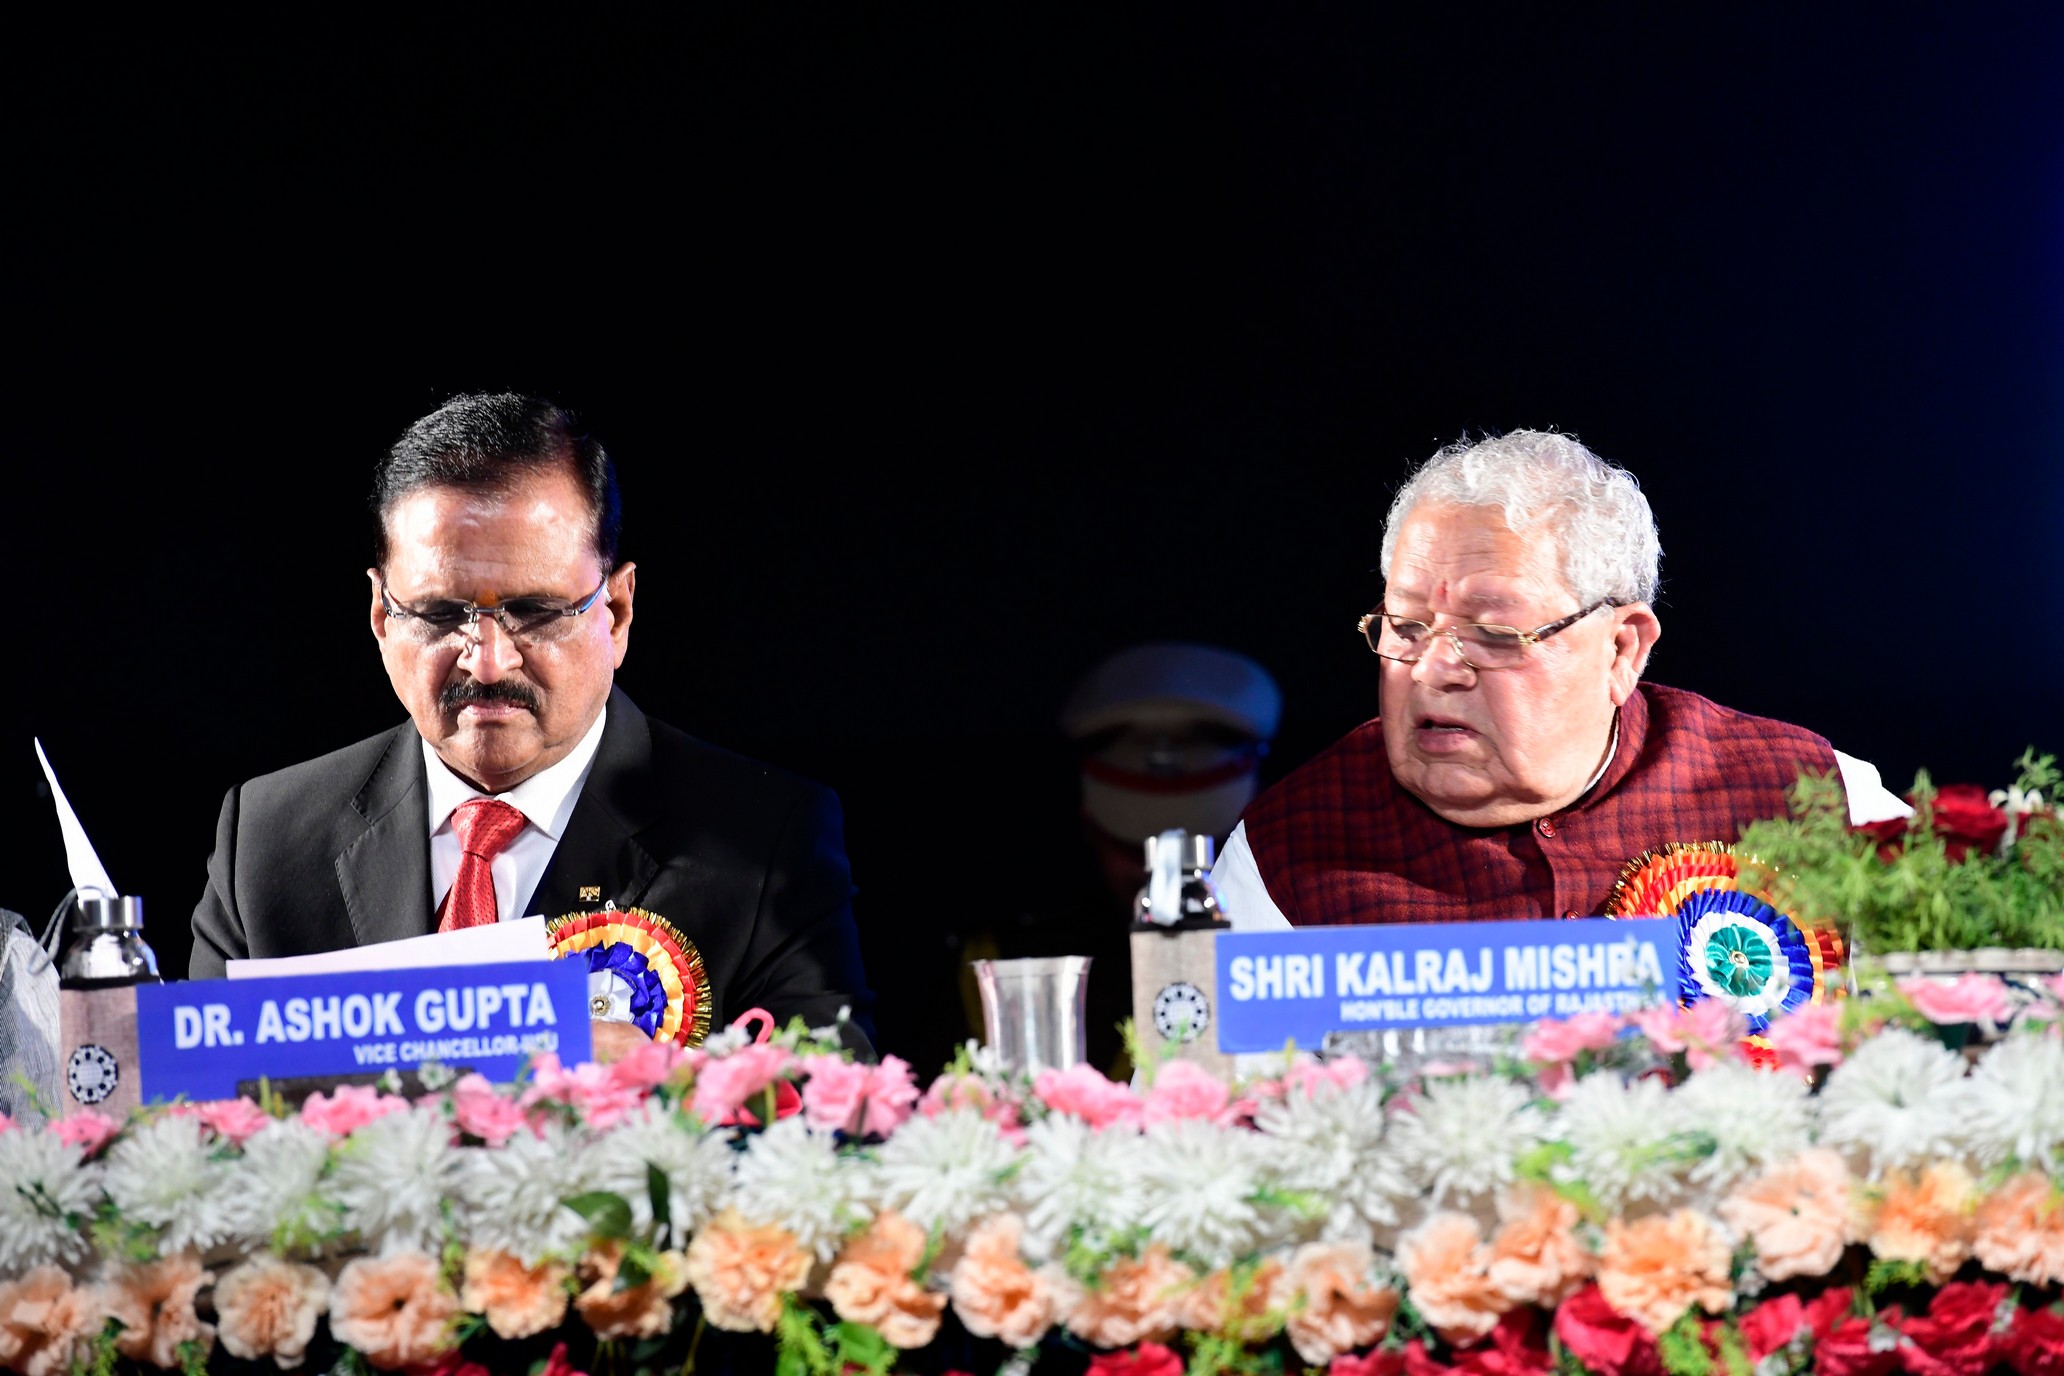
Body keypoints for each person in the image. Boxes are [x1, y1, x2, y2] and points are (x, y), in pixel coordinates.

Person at [190, 394, 874, 1052]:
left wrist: (659, 1079)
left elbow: (830, 1108)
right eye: (439, 614)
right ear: (381, 617)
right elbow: (192, 1107)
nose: (487, 662)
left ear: (617, 613)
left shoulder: (767, 842)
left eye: (536, 611)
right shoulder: (267, 839)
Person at [1211, 429, 1908, 928]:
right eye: (1407, 626)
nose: (1433, 669)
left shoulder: (1812, 795)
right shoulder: (1285, 852)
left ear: (1621, 650)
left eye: (1491, 634)